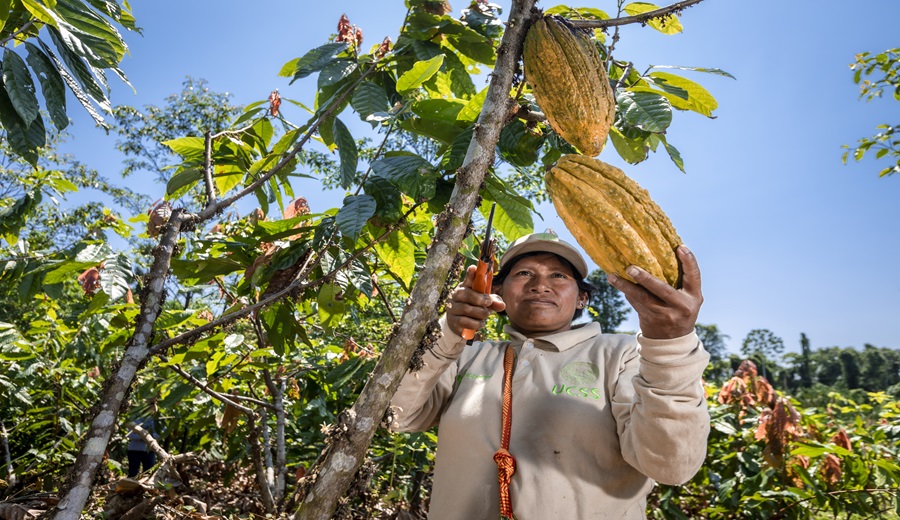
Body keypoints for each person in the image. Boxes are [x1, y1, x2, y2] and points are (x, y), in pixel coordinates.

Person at [390, 232, 709, 519]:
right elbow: (397, 417)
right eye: (524, 273)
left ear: (582, 298)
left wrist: (670, 343)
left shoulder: (623, 354)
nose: (540, 285)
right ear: (496, 291)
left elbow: (671, 466)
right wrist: (448, 334)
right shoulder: (465, 356)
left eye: (558, 275)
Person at [126, 399, 159, 478]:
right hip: (134, 450)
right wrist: (143, 436)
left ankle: (145, 489)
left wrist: (147, 435)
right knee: (133, 473)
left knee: (149, 474)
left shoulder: (156, 419)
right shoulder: (135, 417)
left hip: (150, 449)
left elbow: (159, 433)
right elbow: (130, 434)